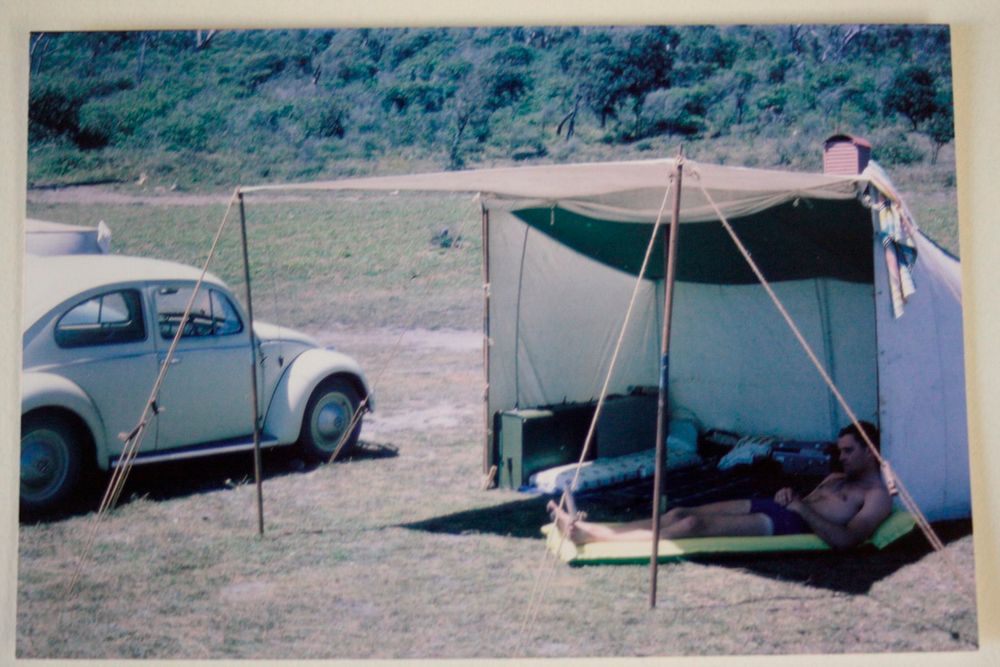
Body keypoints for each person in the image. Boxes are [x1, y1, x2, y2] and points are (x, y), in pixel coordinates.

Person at [547, 421, 893, 550]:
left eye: (849, 452)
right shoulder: (836, 478)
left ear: (870, 451)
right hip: (777, 507)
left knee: (692, 526)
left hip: (788, 522)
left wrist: (800, 506)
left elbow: (847, 540)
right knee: (681, 510)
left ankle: (588, 536)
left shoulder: (876, 498)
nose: (841, 458)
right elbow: (813, 500)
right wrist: (792, 496)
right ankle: (598, 527)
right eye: (841, 451)